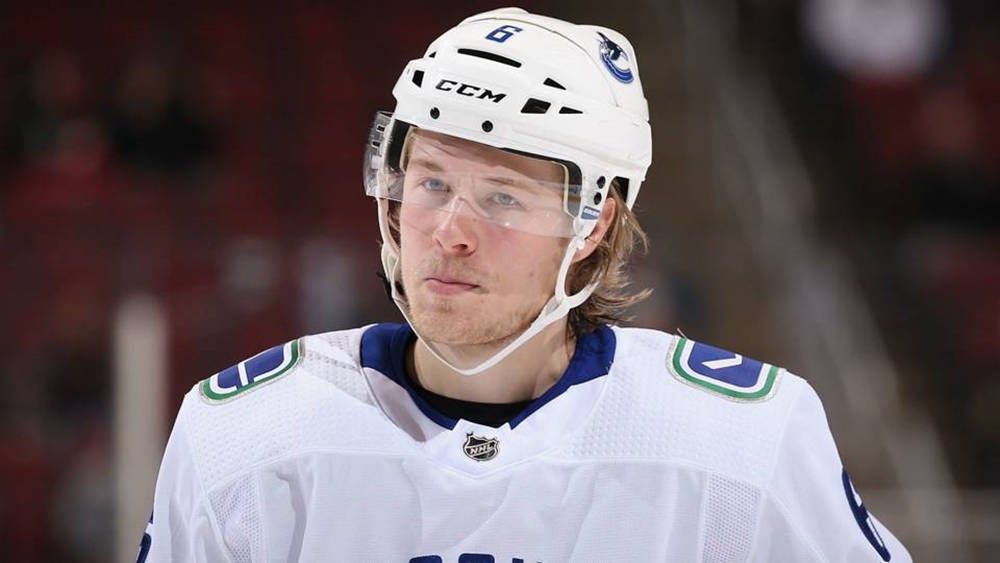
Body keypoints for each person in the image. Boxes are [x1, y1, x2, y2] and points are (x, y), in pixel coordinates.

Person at [139, 7, 911, 562]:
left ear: (596, 223)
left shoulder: (745, 442)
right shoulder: (242, 435)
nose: (450, 230)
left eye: (503, 196)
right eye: (432, 182)